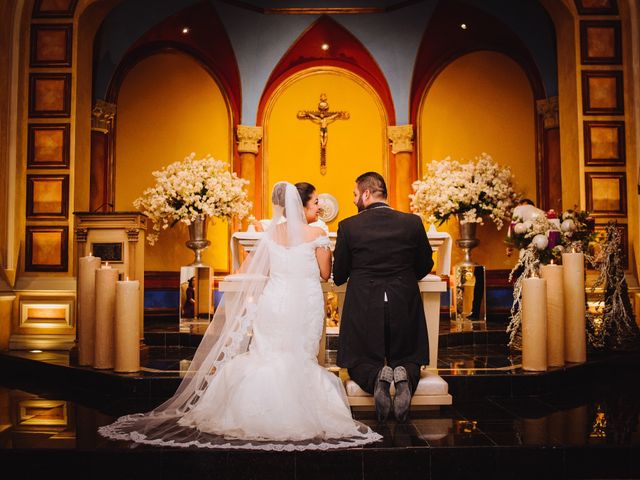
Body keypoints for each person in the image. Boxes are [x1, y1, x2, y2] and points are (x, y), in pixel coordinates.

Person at [99, 181, 381, 450]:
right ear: (302, 205)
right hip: (304, 302)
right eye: (316, 201)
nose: (318, 207)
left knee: (267, 354)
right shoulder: (317, 234)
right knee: (298, 357)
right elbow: (323, 273)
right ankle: (289, 411)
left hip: (273, 301)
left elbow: (252, 270)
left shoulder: (271, 234)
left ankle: (249, 409)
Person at [333, 172, 434, 423]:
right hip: (403, 300)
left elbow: (339, 274)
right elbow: (425, 264)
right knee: (409, 355)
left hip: (365, 304)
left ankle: (376, 376)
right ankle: (403, 376)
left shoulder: (348, 226)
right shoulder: (412, 222)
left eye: (356, 194)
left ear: (366, 194)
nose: (355, 199)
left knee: (357, 359)